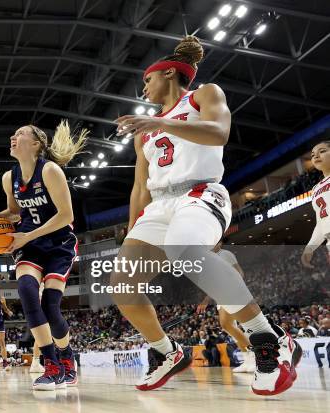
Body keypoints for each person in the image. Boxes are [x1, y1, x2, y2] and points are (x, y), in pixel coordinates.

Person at [111, 35, 300, 396]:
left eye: (147, 79)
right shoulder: (144, 132)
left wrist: (162, 125)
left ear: (168, 73)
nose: (143, 87)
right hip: (158, 206)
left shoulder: (203, 95)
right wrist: (133, 227)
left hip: (200, 192)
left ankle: (267, 336)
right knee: (122, 285)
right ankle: (168, 353)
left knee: (184, 249)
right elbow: (140, 186)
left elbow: (219, 133)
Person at [0, 120, 86, 390]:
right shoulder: (10, 177)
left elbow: (67, 215)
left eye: (20, 133)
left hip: (58, 244)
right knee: (28, 291)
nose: (13, 135)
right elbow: (15, 212)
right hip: (29, 246)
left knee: (51, 308)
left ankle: (67, 357)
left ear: (36, 144)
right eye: (14, 132)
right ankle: (51, 365)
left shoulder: (50, 171)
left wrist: (27, 235)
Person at [196, 241, 255, 373]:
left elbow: (240, 273)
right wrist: (206, 299)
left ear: (220, 244)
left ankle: (254, 356)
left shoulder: (225, 254)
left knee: (233, 325)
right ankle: (248, 358)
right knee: (227, 325)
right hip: (221, 296)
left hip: (232, 292)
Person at [301, 141, 330, 268]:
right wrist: (309, 248)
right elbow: (321, 222)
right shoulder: (316, 188)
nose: (316, 156)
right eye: (313, 155)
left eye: (322, 151)